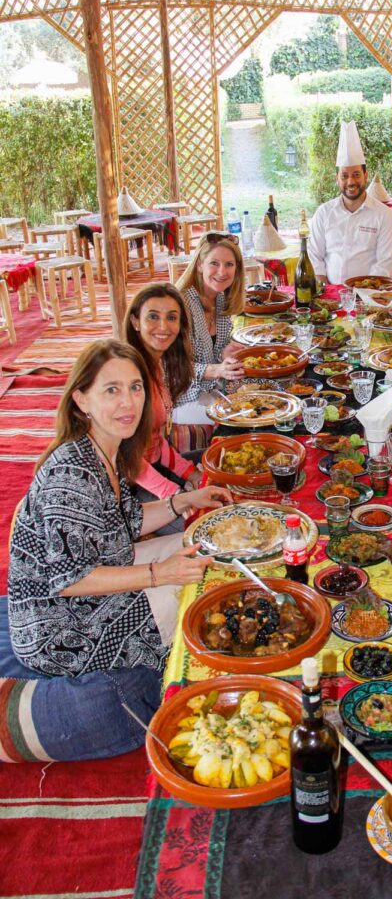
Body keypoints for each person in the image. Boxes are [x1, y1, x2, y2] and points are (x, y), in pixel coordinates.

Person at [8, 339, 231, 681]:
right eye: (111, 390)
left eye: (135, 387)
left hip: (101, 570)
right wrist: (160, 574)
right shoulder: (71, 474)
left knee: (208, 549)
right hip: (58, 626)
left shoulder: (107, 450)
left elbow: (129, 520)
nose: (128, 402)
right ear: (82, 399)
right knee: (202, 605)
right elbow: (71, 579)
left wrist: (183, 501)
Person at [125, 285, 202, 529]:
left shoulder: (156, 365)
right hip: (129, 489)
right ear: (136, 321)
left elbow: (155, 441)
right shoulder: (129, 373)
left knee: (221, 464)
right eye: (153, 316)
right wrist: (174, 494)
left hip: (155, 467)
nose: (163, 327)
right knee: (205, 527)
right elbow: (128, 459)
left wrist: (191, 473)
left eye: (171, 317)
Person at [308, 120, 392, 285]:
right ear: (337, 179)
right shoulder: (323, 213)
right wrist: (326, 291)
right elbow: (315, 256)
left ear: (366, 175)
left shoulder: (384, 215)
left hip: (369, 294)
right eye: (344, 176)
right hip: (329, 294)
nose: (351, 181)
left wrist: (364, 291)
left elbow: (384, 262)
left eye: (356, 174)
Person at [174, 232, 246, 427]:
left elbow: (214, 349)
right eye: (214, 263)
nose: (222, 272)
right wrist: (215, 369)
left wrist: (224, 352)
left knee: (260, 400)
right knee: (243, 418)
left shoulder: (220, 298)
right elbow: (171, 367)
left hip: (209, 390)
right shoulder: (181, 304)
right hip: (180, 398)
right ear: (199, 265)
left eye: (229, 264)